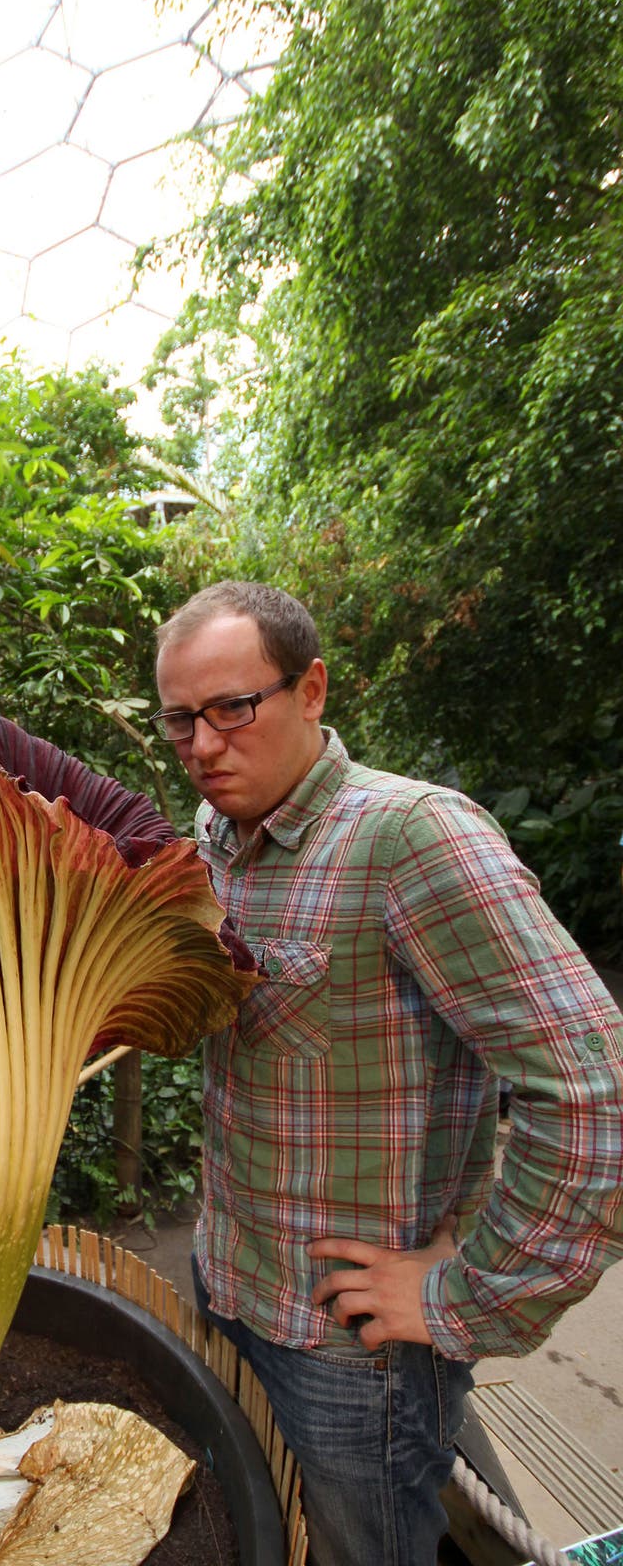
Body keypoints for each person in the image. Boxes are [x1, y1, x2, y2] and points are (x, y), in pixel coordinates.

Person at [151, 579, 623, 1566]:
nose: (204, 744)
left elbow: (592, 1089)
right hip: (229, 1284)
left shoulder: (411, 838)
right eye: (182, 720)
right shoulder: (216, 842)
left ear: (312, 688)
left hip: (351, 1356)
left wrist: (468, 1294)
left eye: (234, 707)